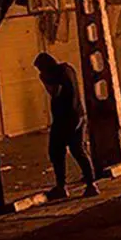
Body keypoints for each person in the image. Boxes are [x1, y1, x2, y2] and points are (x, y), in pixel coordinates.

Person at [33, 52, 98, 199]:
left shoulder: (54, 74)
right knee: (78, 150)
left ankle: (61, 187)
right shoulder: (68, 69)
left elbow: (55, 92)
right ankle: (91, 184)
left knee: (56, 151)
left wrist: (45, 81)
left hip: (64, 118)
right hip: (79, 114)